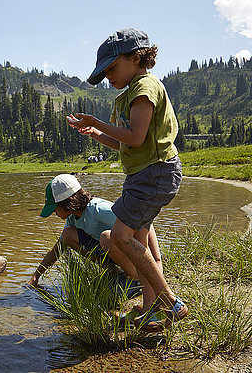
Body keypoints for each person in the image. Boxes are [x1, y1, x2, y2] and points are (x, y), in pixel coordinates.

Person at [66, 28, 187, 332]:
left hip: (154, 173)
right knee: (140, 239)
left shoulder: (145, 87)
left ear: (135, 57)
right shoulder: (129, 93)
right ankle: (150, 310)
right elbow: (126, 142)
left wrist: (96, 121)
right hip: (143, 175)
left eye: (111, 68)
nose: (108, 76)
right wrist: (96, 133)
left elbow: (135, 136)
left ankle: (170, 303)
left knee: (120, 237)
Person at [28, 174, 158, 303]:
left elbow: (144, 223)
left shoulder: (98, 209)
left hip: (135, 256)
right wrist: (36, 277)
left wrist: (156, 260)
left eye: (55, 208)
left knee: (106, 237)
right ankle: (114, 272)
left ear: (68, 203)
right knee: (67, 235)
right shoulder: (73, 218)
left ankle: (134, 279)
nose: (54, 213)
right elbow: (58, 248)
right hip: (117, 255)